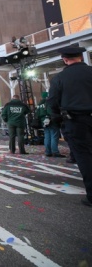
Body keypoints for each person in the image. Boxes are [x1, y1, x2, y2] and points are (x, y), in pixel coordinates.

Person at [47, 44, 92, 207]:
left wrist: (59, 119)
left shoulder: (60, 78)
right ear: (81, 58)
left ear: (65, 59)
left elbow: (52, 102)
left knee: (84, 157)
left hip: (75, 121)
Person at [35, 92, 65, 158]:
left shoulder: (39, 104)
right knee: (54, 136)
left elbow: (37, 114)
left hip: (43, 121)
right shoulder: (50, 102)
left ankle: (48, 152)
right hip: (52, 121)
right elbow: (52, 112)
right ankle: (55, 152)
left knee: (47, 136)